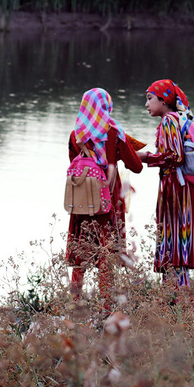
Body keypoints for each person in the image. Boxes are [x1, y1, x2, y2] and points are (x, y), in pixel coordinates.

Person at [67, 87, 143, 305]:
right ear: (107, 107)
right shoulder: (112, 131)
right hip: (107, 200)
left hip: (81, 200)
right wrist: (121, 152)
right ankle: (106, 306)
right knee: (106, 253)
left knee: (81, 251)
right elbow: (136, 166)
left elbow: (73, 164)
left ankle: (75, 303)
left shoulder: (76, 134)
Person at [138, 79, 194, 288]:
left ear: (164, 100)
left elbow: (174, 157)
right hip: (181, 187)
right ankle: (178, 291)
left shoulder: (168, 121)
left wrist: (146, 157)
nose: (146, 104)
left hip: (174, 188)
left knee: (172, 238)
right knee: (177, 239)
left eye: (150, 99)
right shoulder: (177, 119)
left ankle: (175, 295)